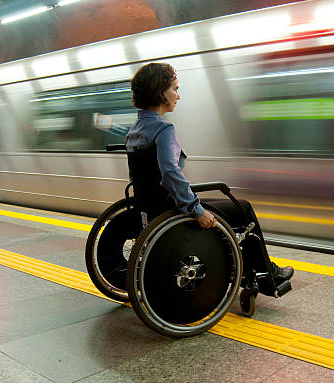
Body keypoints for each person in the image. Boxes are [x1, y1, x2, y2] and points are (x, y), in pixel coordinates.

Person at [126, 62, 293, 287]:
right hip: (173, 206)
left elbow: (141, 177)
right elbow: (169, 173)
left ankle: (255, 268)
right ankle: (266, 272)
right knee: (243, 209)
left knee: (227, 207)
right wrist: (196, 210)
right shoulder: (164, 129)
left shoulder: (135, 130)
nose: (178, 95)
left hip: (151, 206)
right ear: (159, 92)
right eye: (174, 89)